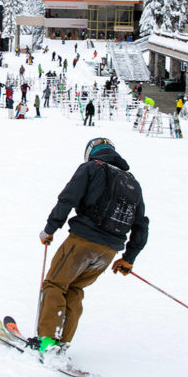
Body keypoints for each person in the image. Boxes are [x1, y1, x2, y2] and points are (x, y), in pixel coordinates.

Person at [34, 138, 149, 354]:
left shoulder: (91, 168)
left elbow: (67, 199)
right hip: (109, 251)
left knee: (55, 284)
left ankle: (48, 340)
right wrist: (128, 258)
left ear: (90, 153)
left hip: (83, 240)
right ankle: (63, 342)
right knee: (75, 287)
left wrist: (49, 229)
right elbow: (141, 223)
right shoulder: (133, 182)